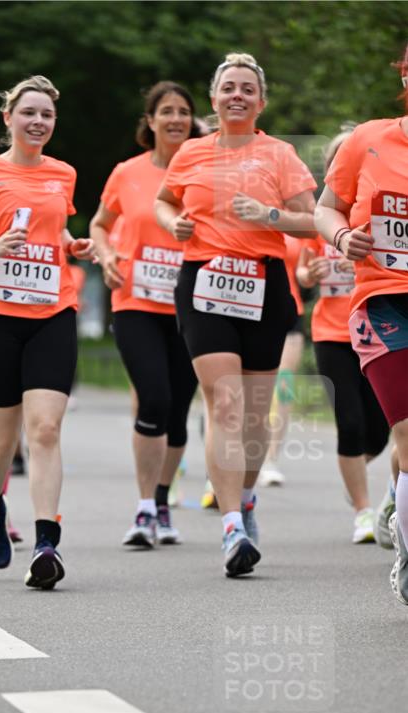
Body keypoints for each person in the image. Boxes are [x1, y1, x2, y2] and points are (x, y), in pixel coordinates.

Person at [155, 52, 317, 577]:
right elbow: (164, 201)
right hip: (204, 280)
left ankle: (246, 499)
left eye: (248, 88)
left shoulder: (280, 154)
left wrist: (270, 215)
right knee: (224, 404)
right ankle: (230, 527)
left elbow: (312, 221)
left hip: (265, 285)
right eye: (229, 87)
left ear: (261, 101)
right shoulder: (191, 154)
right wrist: (173, 223)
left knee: (253, 415)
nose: (238, 95)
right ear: (215, 98)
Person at [0, 74, 94, 589]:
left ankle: (47, 541)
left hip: (54, 311)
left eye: (47, 115)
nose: (38, 122)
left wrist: (74, 246)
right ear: (7, 118)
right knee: (2, 436)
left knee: (46, 429)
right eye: (28, 113)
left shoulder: (64, 174)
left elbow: (56, 230)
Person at [315, 45, 408, 603]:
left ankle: (398, 506)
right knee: (406, 429)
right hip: (385, 302)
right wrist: (343, 236)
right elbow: (327, 207)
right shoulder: (368, 139)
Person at [90, 81, 201, 547]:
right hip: (135, 301)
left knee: (176, 412)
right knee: (152, 397)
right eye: (166, 111)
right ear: (150, 121)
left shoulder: (204, 170)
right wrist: (107, 255)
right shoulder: (126, 173)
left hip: (193, 304)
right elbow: (100, 224)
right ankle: (142, 508)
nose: (175, 118)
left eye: (183, 111)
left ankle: (161, 498)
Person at [299, 130, 389, 543]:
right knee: (349, 422)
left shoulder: (381, 214)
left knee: (381, 429)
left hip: (376, 327)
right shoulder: (324, 219)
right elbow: (301, 270)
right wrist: (309, 274)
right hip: (332, 333)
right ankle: (363, 511)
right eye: (336, 161)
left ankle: (364, 480)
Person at [258, 233, 307, 486]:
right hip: (252, 310)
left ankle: (271, 459)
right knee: (254, 387)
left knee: (284, 386)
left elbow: (305, 271)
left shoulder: (296, 222)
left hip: (290, 311)